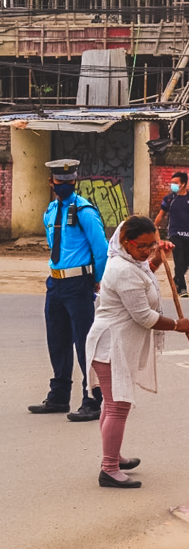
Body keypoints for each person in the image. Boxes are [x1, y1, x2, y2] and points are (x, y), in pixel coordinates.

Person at [85, 215, 189, 488]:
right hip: (110, 347)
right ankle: (108, 468)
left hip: (119, 345)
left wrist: (158, 258)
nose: (147, 251)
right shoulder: (121, 269)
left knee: (111, 405)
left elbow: (145, 276)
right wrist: (178, 325)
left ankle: (114, 456)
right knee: (118, 405)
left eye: (152, 244)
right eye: (143, 246)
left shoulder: (134, 262)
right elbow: (144, 316)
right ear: (125, 242)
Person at [29, 159, 109, 422]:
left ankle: (93, 399)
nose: (64, 186)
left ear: (74, 182)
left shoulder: (85, 210)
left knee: (85, 342)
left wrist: (97, 280)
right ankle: (59, 396)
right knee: (58, 340)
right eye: (60, 181)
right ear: (51, 182)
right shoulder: (50, 210)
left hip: (78, 283)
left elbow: (101, 249)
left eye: (69, 182)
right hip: (55, 283)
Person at [153, 172, 189, 298]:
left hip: (188, 234)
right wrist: (154, 227)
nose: (173, 185)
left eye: (176, 183)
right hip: (174, 234)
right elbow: (161, 214)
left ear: (183, 184)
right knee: (179, 261)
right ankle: (182, 288)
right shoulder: (169, 199)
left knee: (186, 263)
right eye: (172, 183)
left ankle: (175, 280)